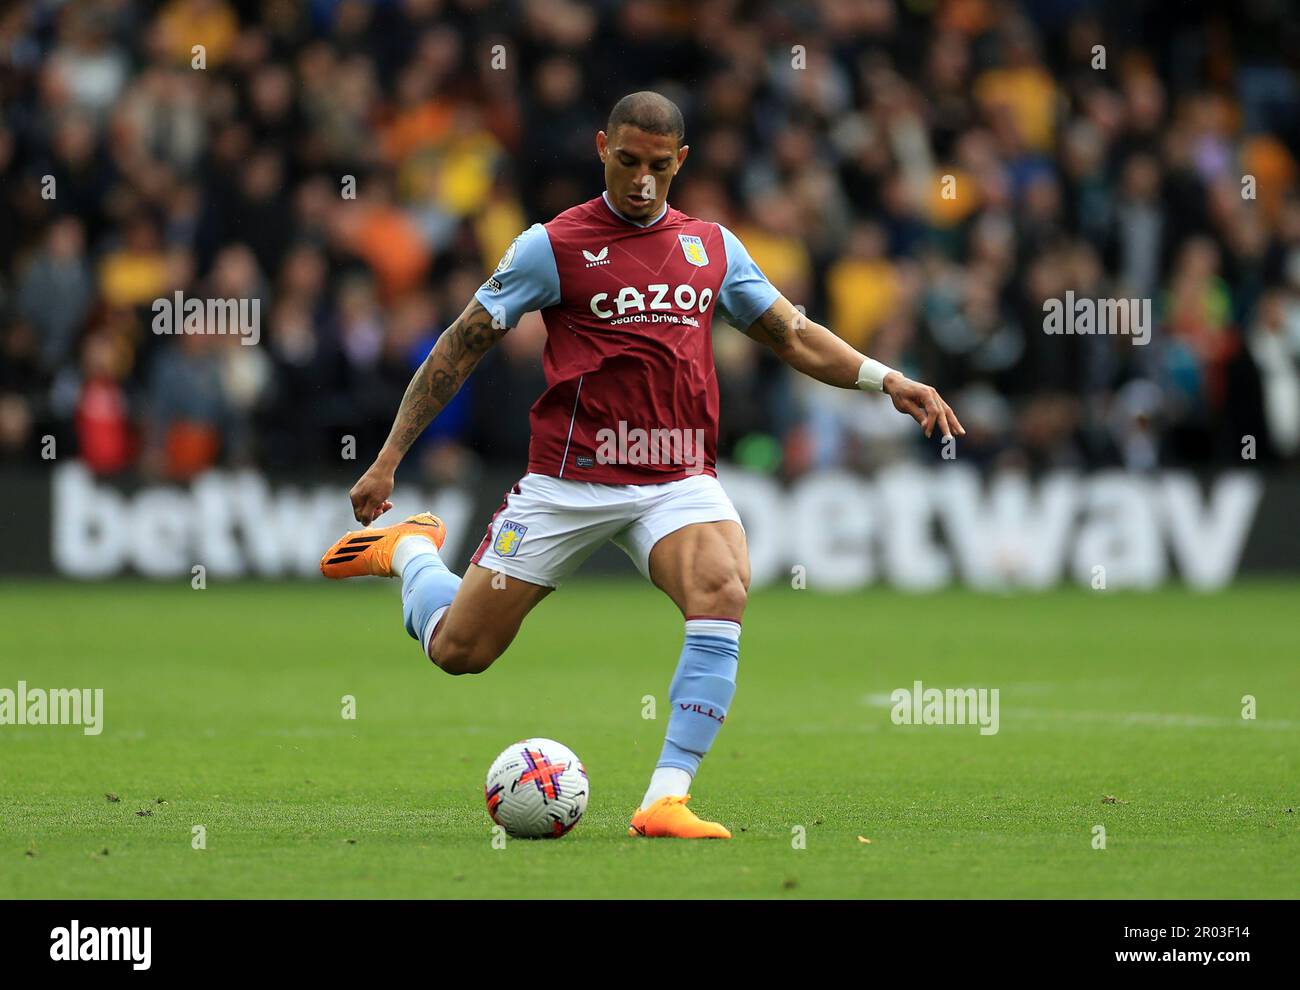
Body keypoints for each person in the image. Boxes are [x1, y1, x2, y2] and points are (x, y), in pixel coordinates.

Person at [321, 92, 964, 839]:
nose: (642, 181)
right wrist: (390, 457)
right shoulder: (550, 246)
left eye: (659, 167)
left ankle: (664, 798)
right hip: (568, 482)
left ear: (680, 162)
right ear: (602, 149)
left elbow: (793, 334)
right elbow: (460, 343)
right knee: (460, 652)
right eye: (627, 162)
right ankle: (409, 553)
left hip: (675, 478)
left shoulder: (712, 248)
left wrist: (887, 379)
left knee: (722, 586)